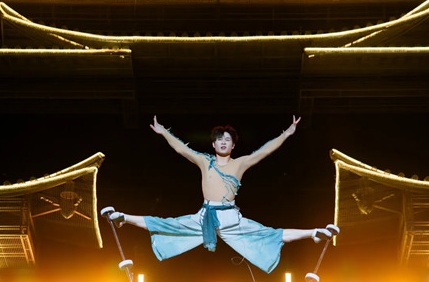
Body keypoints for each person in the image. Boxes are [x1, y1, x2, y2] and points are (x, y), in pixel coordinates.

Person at [109, 115, 333, 273]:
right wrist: (164, 132)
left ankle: (314, 233)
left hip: (230, 219)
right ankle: (123, 218)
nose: (223, 142)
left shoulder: (240, 163)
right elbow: (181, 149)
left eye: (228, 140)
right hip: (204, 216)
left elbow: (265, 151)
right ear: (213, 144)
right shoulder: (204, 161)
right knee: (169, 224)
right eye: (219, 139)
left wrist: (287, 133)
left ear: (233, 145)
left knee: (268, 234)